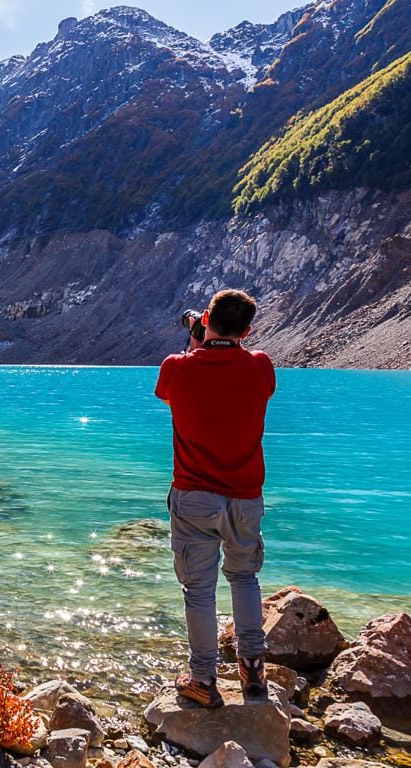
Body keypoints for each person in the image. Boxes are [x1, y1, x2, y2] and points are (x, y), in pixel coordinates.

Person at [154, 289, 275, 708]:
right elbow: (247, 373)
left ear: (206, 318)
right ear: (247, 330)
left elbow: (168, 391)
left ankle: (203, 680)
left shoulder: (177, 366)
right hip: (245, 497)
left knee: (199, 591)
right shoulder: (261, 366)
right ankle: (253, 670)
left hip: (193, 497)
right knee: (244, 578)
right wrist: (217, 342)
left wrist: (195, 341)